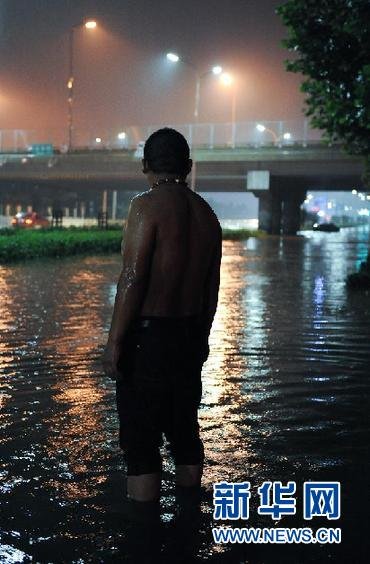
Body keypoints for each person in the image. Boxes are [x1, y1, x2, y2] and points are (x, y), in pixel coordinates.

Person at [102, 127, 222, 505]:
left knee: (141, 445)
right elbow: (211, 290)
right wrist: (201, 340)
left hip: (148, 339)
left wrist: (115, 343)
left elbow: (133, 278)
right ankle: (190, 520)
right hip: (189, 337)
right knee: (185, 432)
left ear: (145, 166)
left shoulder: (145, 206)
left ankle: (145, 539)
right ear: (188, 166)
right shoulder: (207, 214)